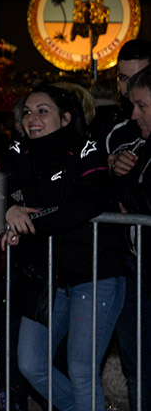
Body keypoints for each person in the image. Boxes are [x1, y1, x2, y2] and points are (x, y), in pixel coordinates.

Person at [2, 84, 125, 411]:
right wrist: (8, 209)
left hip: (95, 276)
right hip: (49, 279)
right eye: (27, 112)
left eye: (43, 111)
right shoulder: (20, 150)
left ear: (66, 118)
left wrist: (29, 221)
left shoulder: (87, 148)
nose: (32, 118)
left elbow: (81, 205)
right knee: (30, 363)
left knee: (82, 372)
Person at [112, 65, 151, 411]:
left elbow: (143, 200)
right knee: (138, 364)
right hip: (136, 271)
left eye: (142, 106)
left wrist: (126, 191)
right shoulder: (141, 146)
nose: (133, 112)